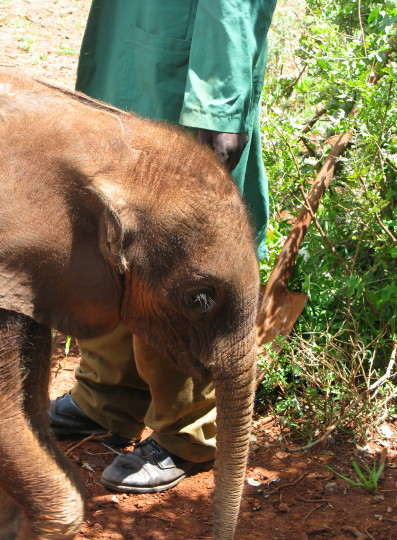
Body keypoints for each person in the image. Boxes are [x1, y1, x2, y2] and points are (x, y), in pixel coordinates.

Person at [49, 0, 277, 494]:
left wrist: (219, 105)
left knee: (176, 254)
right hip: (127, 51)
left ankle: (188, 432)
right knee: (111, 227)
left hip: (185, 80)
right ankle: (107, 400)